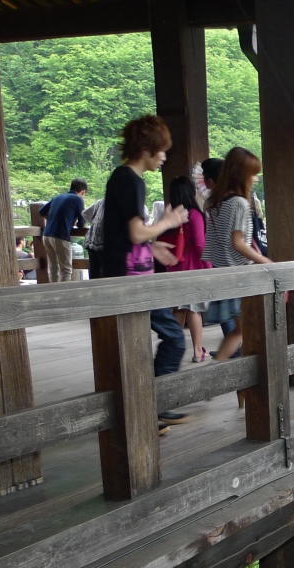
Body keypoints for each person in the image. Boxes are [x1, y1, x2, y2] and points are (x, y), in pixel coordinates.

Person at [101, 114, 190, 430]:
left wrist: (152, 247)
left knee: (137, 350)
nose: (164, 156)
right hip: (132, 281)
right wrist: (167, 223)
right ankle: (155, 406)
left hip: (130, 274)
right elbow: (136, 232)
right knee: (174, 339)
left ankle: (145, 413)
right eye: (161, 150)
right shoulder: (130, 180)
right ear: (146, 149)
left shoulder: (123, 178)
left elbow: (124, 236)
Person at [205, 147, 270, 373]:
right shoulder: (240, 203)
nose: (256, 179)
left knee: (239, 331)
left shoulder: (214, 202)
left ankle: (215, 373)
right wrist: (266, 262)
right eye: (253, 174)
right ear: (241, 175)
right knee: (249, 331)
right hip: (241, 276)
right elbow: (239, 243)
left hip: (221, 273)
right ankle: (225, 376)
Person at [163, 176, 212, 363]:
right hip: (192, 267)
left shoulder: (170, 215)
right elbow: (199, 244)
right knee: (194, 309)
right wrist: (209, 267)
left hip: (173, 267)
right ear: (190, 192)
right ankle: (198, 351)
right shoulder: (194, 214)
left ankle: (173, 350)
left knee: (179, 308)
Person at [40, 179, 87, 283]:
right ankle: (63, 291)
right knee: (66, 269)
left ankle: (54, 290)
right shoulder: (78, 199)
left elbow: (42, 211)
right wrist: (74, 223)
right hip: (61, 236)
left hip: (46, 235)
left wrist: (53, 219)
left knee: (53, 267)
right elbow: (82, 221)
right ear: (83, 192)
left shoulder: (58, 197)